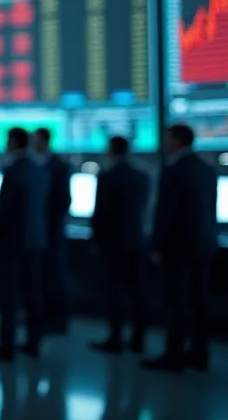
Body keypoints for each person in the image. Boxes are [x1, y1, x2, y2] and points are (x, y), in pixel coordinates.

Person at [142, 124, 218, 373]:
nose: (164, 142)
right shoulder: (207, 170)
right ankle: (199, 353)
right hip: (203, 245)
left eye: (167, 138)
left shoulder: (173, 171)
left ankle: (173, 356)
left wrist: (156, 246)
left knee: (176, 303)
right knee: (199, 301)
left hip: (178, 247)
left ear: (176, 140)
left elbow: (166, 213)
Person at [0, 127, 49, 361]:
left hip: (11, 243)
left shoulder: (13, 171)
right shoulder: (39, 169)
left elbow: (4, 210)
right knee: (33, 294)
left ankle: (6, 346)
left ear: (13, 142)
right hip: (35, 242)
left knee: (8, 296)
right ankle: (33, 342)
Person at [89, 136, 150, 354]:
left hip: (113, 242)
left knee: (114, 292)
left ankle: (115, 338)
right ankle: (138, 339)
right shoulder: (142, 175)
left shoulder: (107, 176)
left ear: (111, 151)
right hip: (136, 240)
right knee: (137, 292)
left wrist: (95, 239)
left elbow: (101, 212)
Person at [33, 127, 72, 334]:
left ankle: (57, 319)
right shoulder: (37, 164)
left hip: (52, 231)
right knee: (41, 277)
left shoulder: (58, 166)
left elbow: (64, 200)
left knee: (55, 276)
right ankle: (44, 316)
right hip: (38, 231)